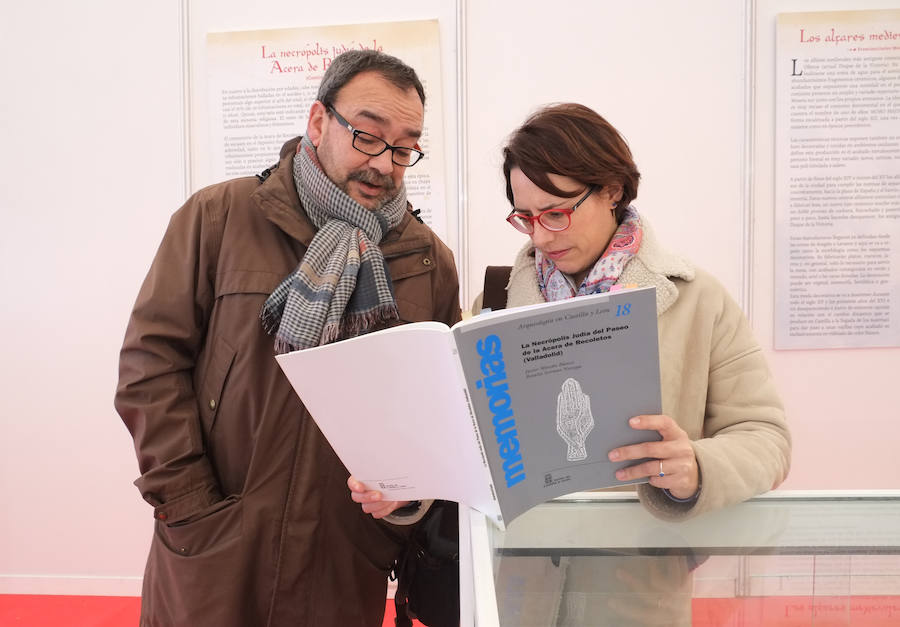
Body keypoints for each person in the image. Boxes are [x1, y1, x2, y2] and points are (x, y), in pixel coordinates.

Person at [114, 50, 461, 627]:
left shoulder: (427, 261)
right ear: (319, 122)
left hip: (343, 557)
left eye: (404, 148)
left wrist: (401, 507)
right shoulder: (218, 218)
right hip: (217, 543)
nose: (385, 164)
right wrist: (190, 505)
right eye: (369, 136)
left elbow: (434, 415)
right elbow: (150, 366)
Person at [473, 103, 792, 626]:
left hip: (635, 596)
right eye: (526, 217)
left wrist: (696, 467)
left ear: (612, 190)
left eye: (557, 211)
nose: (541, 236)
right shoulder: (495, 303)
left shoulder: (697, 299)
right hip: (518, 596)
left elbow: (767, 437)